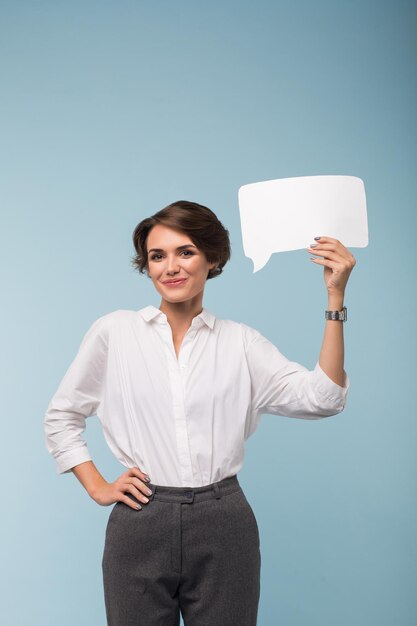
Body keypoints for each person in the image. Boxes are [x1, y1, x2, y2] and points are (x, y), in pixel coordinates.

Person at [44, 200, 355, 625]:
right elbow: (62, 416)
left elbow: (324, 398)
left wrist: (334, 297)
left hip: (224, 521)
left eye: (185, 252)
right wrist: (96, 485)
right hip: (140, 521)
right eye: (158, 256)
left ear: (212, 258)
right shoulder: (115, 332)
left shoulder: (241, 343)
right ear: (147, 266)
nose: (170, 267)